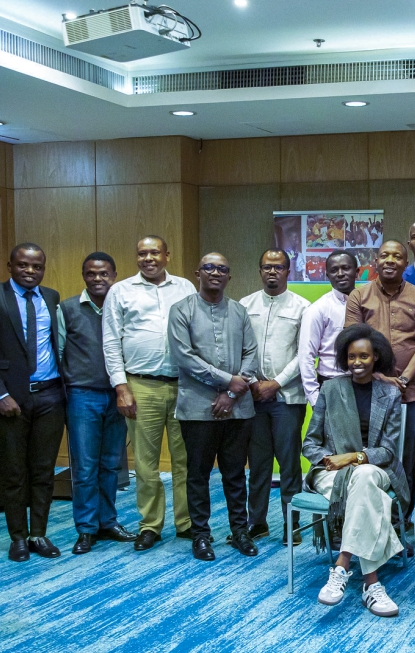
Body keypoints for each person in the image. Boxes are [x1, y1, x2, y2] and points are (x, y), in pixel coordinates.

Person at [101, 236, 197, 551]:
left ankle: (186, 523)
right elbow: (111, 341)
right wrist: (121, 385)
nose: (148, 258)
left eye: (154, 252)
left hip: (184, 385)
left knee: (187, 460)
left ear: (167, 255)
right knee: (145, 462)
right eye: (142, 253)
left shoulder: (185, 288)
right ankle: (151, 525)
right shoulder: (120, 291)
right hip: (140, 385)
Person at [0, 243, 66, 561]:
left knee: (43, 470)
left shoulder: (51, 297)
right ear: (9, 265)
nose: (30, 271)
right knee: (14, 471)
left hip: (51, 396)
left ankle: (39, 534)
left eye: (37, 266)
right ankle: (18, 538)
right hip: (9, 399)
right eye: (23, 265)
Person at [305, 324, 406, 617]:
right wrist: (329, 460)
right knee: (366, 489)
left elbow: (388, 451)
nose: (357, 362)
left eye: (364, 356)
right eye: (351, 357)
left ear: (376, 357)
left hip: (375, 467)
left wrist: (351, 458)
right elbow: (310, 443)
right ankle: (371, 585)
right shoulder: (331, 389)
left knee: (363, 476)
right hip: (331, 472)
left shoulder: (389, 394)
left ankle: (342, 565)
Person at [168, 253, 258, 561]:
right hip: (197, 407)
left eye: (222, 268)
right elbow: (184, 357)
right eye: (209, 267)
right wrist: (226, 382)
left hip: (238, 408)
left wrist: (231, 394)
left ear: (229, 276)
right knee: (198, 473)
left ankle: (240, 532)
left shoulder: (240, 312)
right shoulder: (181, 310)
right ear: (198, 273)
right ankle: (201, 536)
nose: (215, 272)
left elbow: (251, 356)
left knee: (235, 473)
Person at [346, 240, 415, 514]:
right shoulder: (359, 296)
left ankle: (402, 521)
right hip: (368, 393)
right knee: (371, 455)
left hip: (412, 393)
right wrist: (382, 378)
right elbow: (351, 342)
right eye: (384, 255)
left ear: (405, 264)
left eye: (397, 256)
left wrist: (404, 380)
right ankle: (372, 516)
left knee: (406, 459)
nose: (390, 260)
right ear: (376, 261)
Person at [57, 252, 137, 555]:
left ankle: (108, 522)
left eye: (104, 274)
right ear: (83, 276)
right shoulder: (66, 309)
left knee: (110, 464)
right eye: (91, 273)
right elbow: (60, 352)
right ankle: (86, 528)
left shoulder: (123, 307)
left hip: (118, 395)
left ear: (114, 276)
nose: (97, 279)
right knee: (85, 465)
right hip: (83, 396)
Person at [240, 249, 311, 545]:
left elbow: (304, 353)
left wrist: (277, 383)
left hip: (287, 398)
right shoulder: (244, 305)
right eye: (267, 267)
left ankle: (290, 525)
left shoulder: (303, 307)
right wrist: (255, 382)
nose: (272, 272)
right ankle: (256, 523)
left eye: (278, 267)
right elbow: (240, 347)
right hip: (253, 397)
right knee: (257, 464)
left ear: (288, 271)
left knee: (289, 464)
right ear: (259, 270)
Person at [299, 251, 358, 407]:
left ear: (357, 272)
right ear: (327, 275)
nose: (340, 274)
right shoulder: (318, 309)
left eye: (346, 268)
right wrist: (314, 398)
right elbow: (306, 356)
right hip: (332, 384)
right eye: (334, 270)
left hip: (365, 383)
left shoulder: (367, 305)